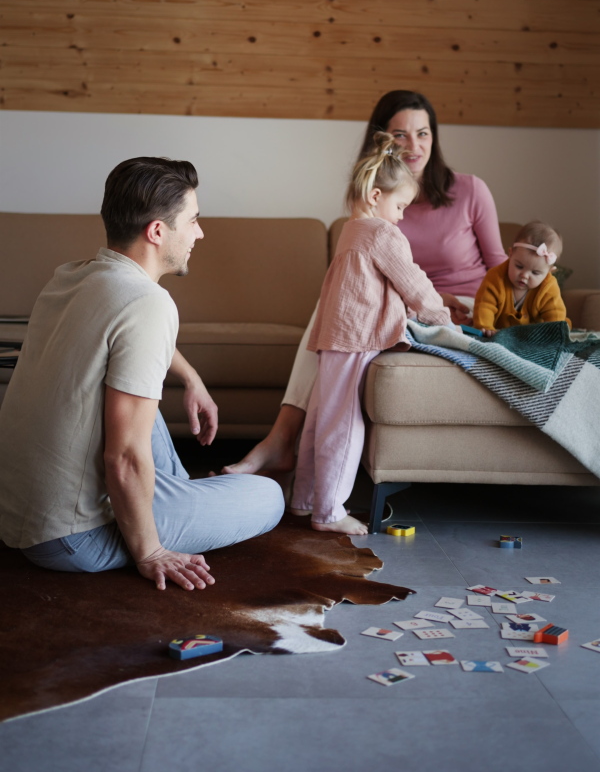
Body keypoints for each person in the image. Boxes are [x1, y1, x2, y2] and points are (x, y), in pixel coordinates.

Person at [0, 157, 284, 590]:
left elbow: (128, 342)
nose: (199, 233)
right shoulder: (147, 303)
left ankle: (180, 499)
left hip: (20, 515)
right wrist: (150, 551)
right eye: (193, 220)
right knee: (269, 496)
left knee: (135, 398)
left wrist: (191, 378)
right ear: (157, 231)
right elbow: (125, 457)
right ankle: (170, 513)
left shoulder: (73, 277)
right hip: (72, 538)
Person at [224, 89, 506, 477]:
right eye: (400, 135)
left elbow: (500, 267)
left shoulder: (471, 190)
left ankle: (280, 444)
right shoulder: (374, 204)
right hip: (404, 303)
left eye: (423, 133)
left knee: (330, 316)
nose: (414, 145)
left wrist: (506, 305)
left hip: (464, 305)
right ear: (382, 140)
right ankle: (282, 440)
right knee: (329, 312)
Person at [290, 133, 452, 535]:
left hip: (334, 337)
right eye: (399, 206)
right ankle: (328, 512)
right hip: (356, 337)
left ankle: (304, 499)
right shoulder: (381, 233)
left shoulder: (351, 229)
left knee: (319, 420)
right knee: (343, 426)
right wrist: (442, 318)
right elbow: (412, 282)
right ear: (376, 195)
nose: (400, 216)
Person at [473, 220, 569, 333]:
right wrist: (485, 327)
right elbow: (485, 305)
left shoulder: (548, 286)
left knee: (563, 325)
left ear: (550, 271)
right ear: (510, 254)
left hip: (532, 333)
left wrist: (553, 334)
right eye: (519, 266)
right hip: (498, 330)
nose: (524, 275)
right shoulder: (495, 277)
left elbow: (555, 312)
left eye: (535, 273)